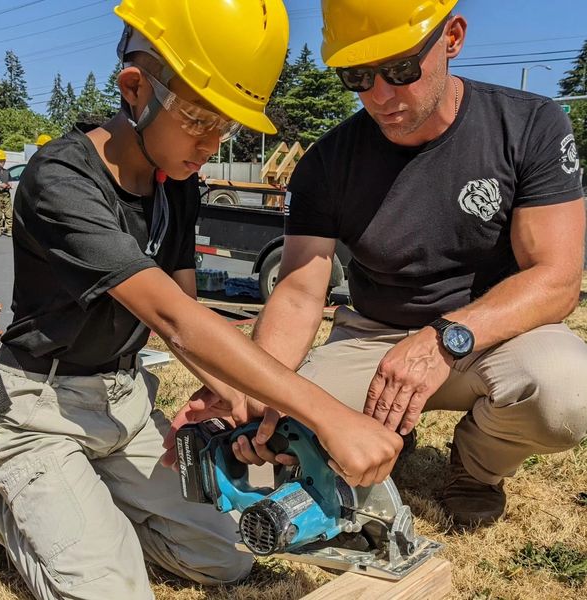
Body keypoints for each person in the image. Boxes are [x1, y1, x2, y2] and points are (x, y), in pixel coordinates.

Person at [0, 1, 403, 599]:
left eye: (226, 127)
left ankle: (81, 506)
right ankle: (9, 499)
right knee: (112, 592)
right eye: (200, 119)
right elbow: (172, 318)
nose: (213, 142)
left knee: (224, 558)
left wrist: (243, 396)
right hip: (40, 411)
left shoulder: (175, 183)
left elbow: (190, 305)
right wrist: (326, 414)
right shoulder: (61, 181)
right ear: (135, 88)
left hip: (122, 404)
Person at [182, 0, 587, 530]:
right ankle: (388, 428)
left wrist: (443, 338)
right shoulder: (327, 164)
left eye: (400, 70)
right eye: (358, 75)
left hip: (493, 333)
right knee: (288, 435)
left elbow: (556, 280)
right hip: (372, 339)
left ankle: (476, 467)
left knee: (566, 395)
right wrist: (257, 385)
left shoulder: (528, 124)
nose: (380, 95)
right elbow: (301, 292)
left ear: (453, 38)